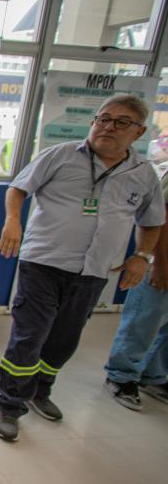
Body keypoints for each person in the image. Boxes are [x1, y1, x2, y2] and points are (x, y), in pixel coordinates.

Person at [0, 94, 163, 442]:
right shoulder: (60, 155)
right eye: (103, 119)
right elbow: (18, 187)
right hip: (42, 262)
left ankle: (41, 390)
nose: (107, 127)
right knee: (29, 336)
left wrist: (142, 256)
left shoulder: (143, 174)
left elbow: (152, 221)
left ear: (139, 131)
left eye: (120, 122)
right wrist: (13, 221)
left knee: (64, 340)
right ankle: (11, 405)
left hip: (94, 271)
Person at [104, 166, 168, 410]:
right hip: (162, 262)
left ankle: (154, 376)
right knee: (145, 320)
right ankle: (121, 375)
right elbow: (161, 217)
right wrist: (160, 263)